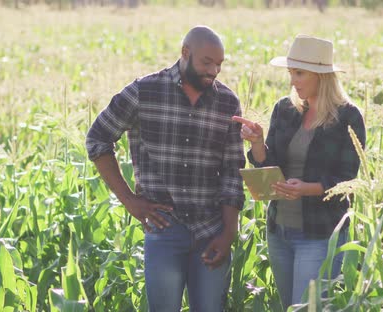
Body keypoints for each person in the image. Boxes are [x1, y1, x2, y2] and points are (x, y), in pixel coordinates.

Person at [85, 26, 245, 311]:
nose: (214, 71)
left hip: (211, 230)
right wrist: (129, 200)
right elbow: (98, 138)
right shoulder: (144, 91)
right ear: (185, 53)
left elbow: (233, 172)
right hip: (164, 229)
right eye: (207, 62)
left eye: (219, 64)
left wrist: (229, 232)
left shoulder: (227, 102)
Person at [232, 35, 366, 309]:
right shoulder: (285, 109)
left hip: (319, 234)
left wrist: (305, 189)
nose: (293, 80)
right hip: (279, 231)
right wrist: (258, 143)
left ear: (321, 75)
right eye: (291, 72)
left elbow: (348, 180)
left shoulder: (348, 117)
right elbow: (269, 165)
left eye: (300, 73)